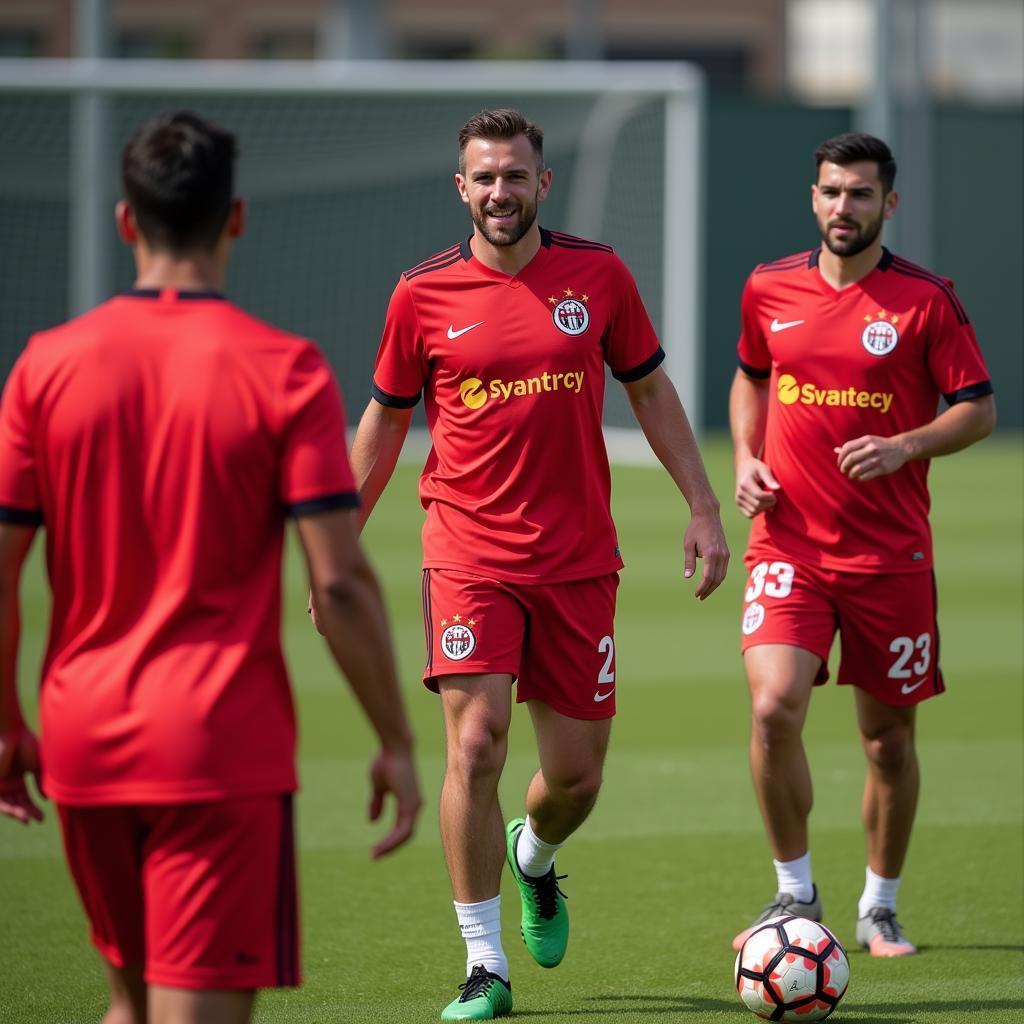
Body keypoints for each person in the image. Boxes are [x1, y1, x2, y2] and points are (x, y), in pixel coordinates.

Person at [0, 111, 421, 1024]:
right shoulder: (283, 370)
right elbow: (340, 581)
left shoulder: (43, 367)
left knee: (130, 1004)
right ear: (235, 218)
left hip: (81, 737)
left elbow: (1, 570)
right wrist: (395, 735)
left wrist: (5, 721)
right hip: (214, 746)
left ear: (125, 221)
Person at [349, 108, 728, 1020]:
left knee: (575, 778)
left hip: (578, 560)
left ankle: (536, 859)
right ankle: (485, 965)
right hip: (469, 550)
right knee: (475, 749)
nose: (499, 192)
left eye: (515, 176)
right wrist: (336, 546)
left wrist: (704, 505)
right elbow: (386, 420)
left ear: (542, 184)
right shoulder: (421, 294)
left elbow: (650, 388)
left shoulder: (597, 275)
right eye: (483, 177)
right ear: (461, 187)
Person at [729, 132, 995, 958]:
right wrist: (745, 455)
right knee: (774, 707)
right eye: (831, 192)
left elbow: (977, 408)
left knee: (888, 741)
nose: (844, 208)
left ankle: (880, 905)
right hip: (789, 548)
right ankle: (793, 892)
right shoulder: (768, 287)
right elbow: (751, 375)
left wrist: (906, 446)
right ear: (813, 197)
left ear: (891, 203)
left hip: (891, 558)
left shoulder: (925, 299)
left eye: (861, 194)